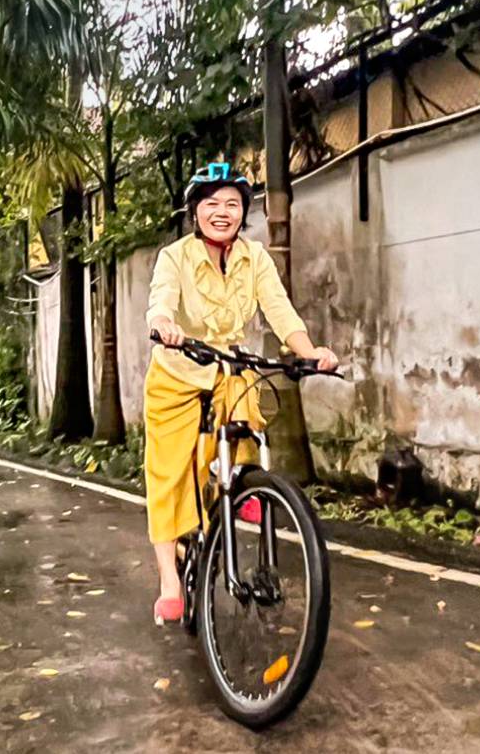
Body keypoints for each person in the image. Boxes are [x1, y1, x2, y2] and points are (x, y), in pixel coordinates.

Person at [145, 162, 338, 626]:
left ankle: (239, 489)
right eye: (211, 203)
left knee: (245, 434)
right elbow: (161, 299)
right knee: (170, 472)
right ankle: (170, 580)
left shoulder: (255, 258)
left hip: (228, 368)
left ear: (242, 212)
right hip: (177, 371)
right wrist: (164, 324)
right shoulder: (175, 257)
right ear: (196, 211)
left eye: (232, 204)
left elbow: (279, 309)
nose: (222, 212)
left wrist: (310, 352)